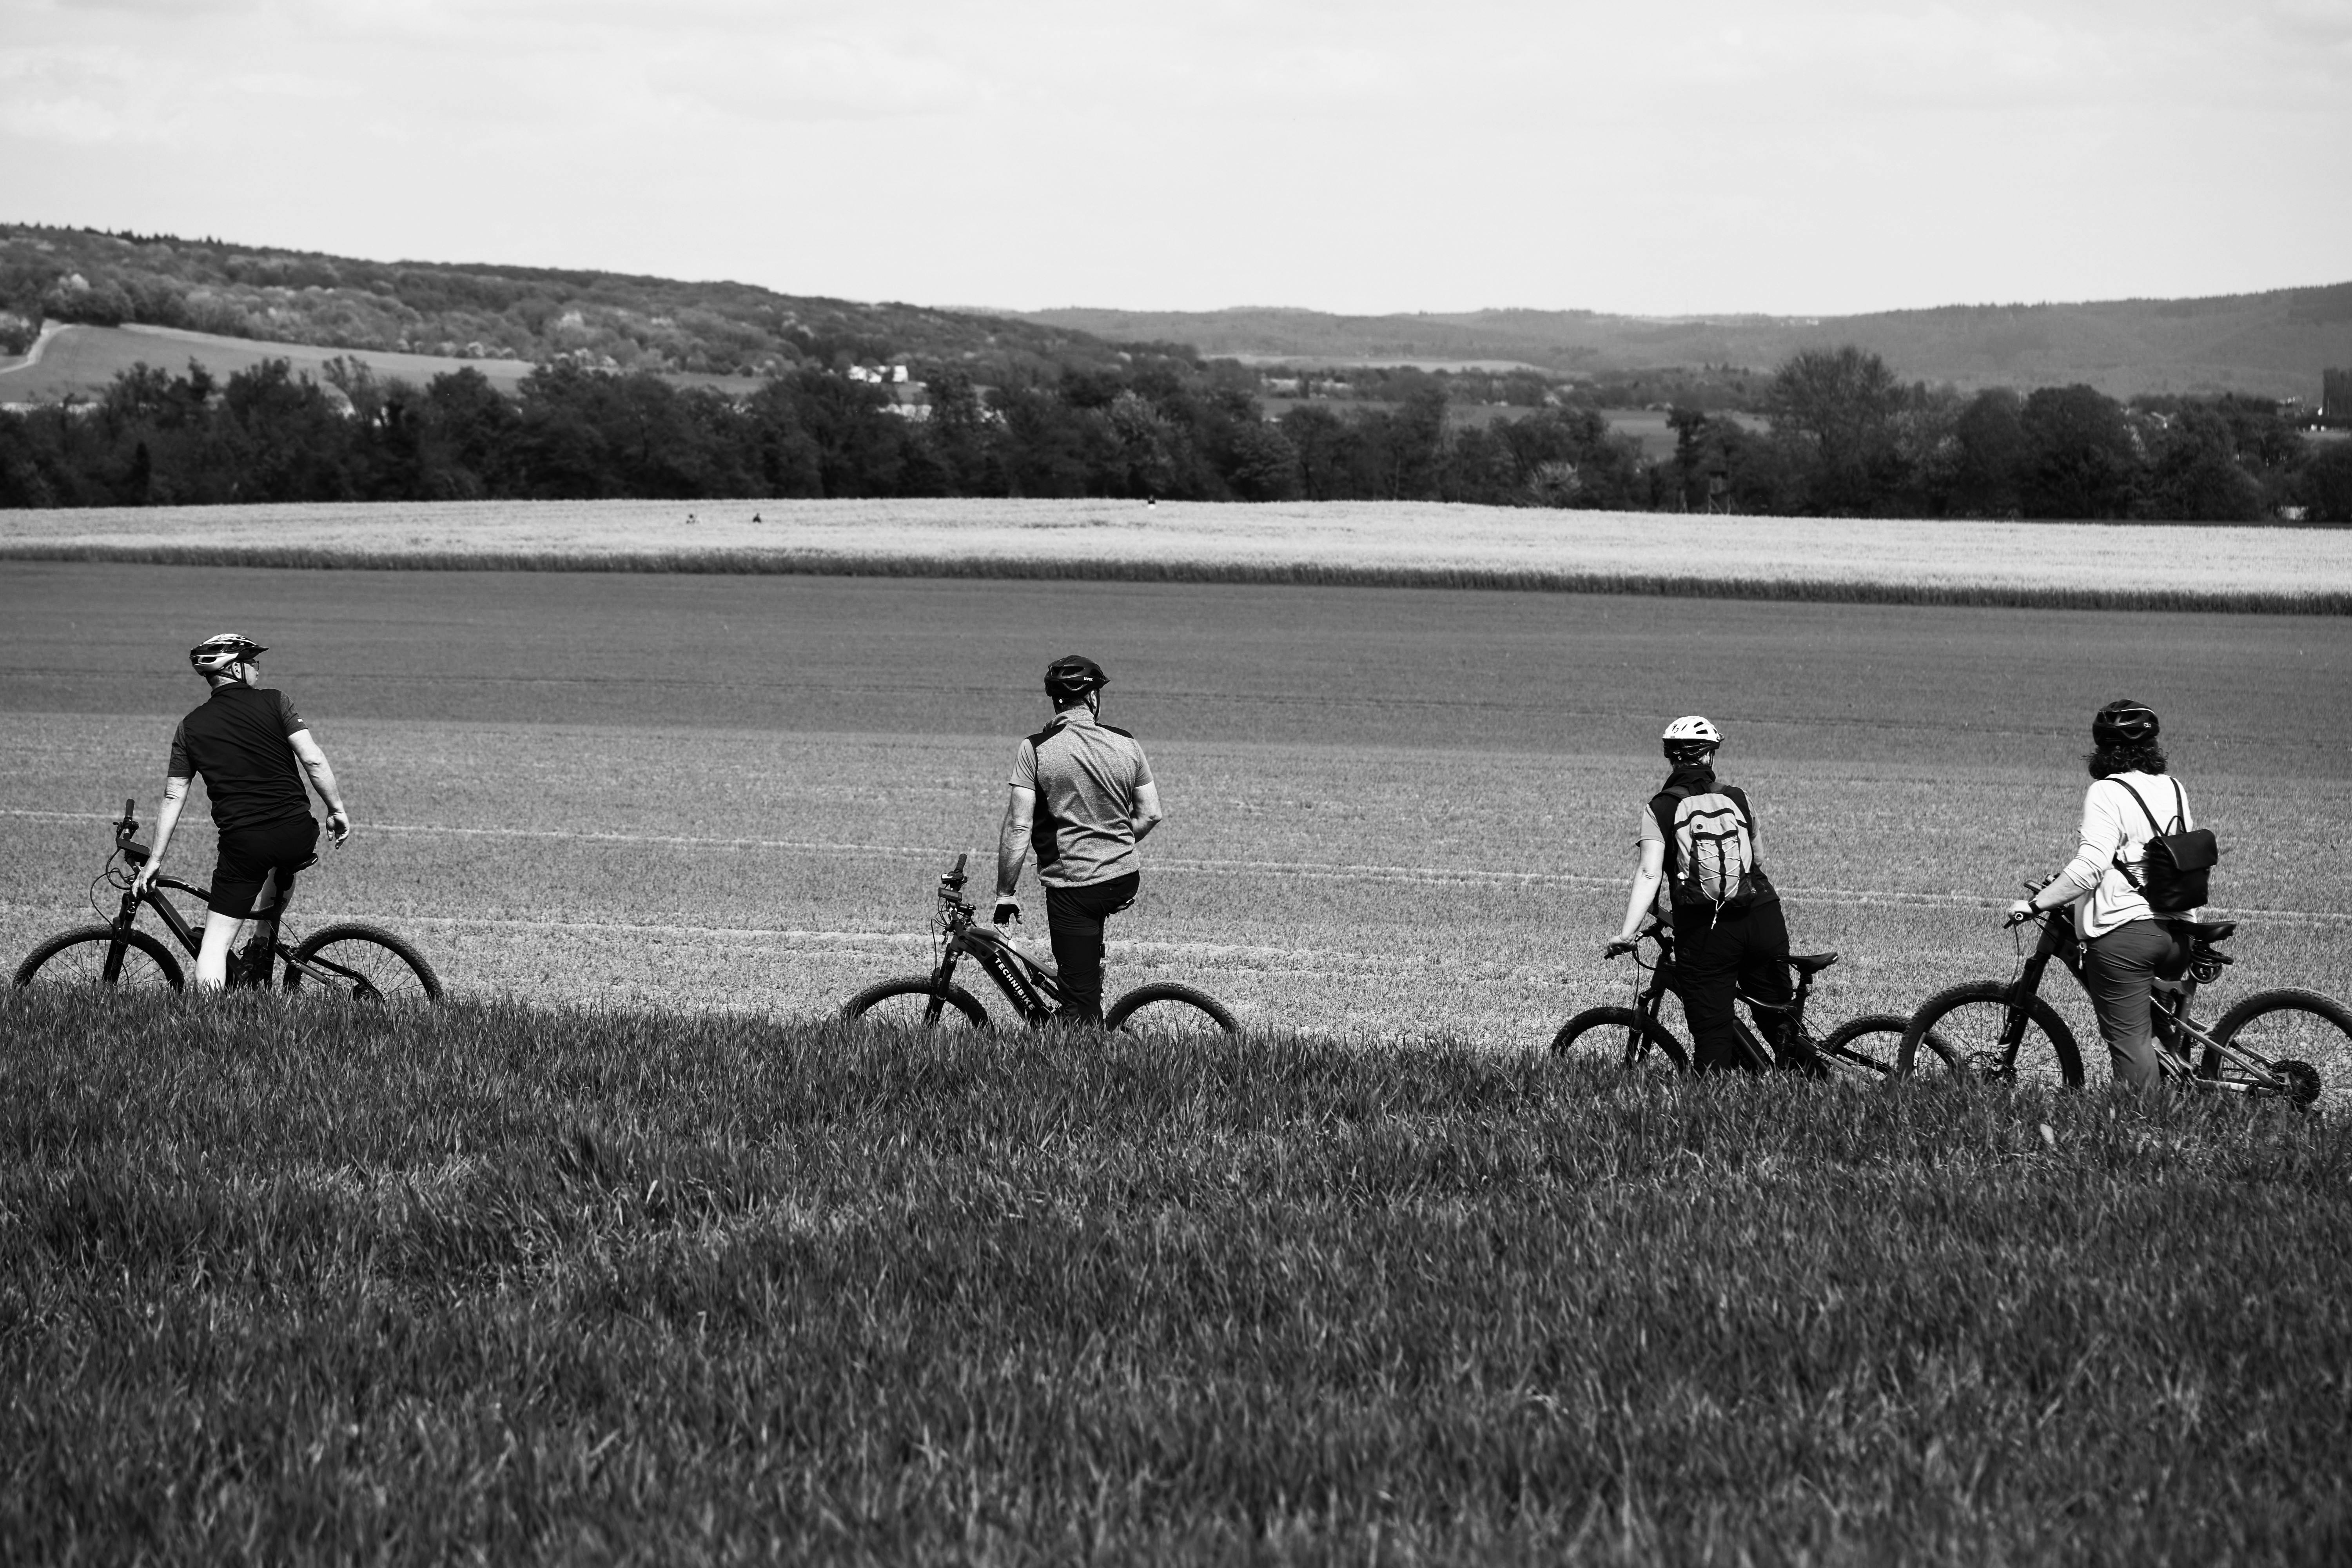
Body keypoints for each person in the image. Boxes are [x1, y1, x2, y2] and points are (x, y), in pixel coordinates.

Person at [130, 633, 352, 990]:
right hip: (298, 830)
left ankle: (214, 1030)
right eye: (253, 663)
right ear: (234, 668)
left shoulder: (190, 727)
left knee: (215, 945)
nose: (257, 670)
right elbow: (312, 758)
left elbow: (174, 796)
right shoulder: (276, 702)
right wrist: (336, 808)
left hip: (245, 844)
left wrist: (156, 859)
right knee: (283, 856)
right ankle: (263, 941)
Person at [2008, 700, 2195, 1090]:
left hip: (2129, 937)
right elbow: (2147, 855)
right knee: (2159, 1035)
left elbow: (2092, 865)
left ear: (2102, 749)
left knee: (2130, 1042)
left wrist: (2037, 903)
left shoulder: (2107, 791)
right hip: (2178, 933)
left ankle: (2144, 1132)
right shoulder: (2174, 788)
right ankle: (2180, 1097)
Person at [1605, 715, 1804, 1073]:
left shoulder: (1660, 807)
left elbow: (1650, 872)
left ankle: (1714, 1119)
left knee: (1713, 1038)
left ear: (1670, 757)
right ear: (1710, 757)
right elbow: (1758, 859)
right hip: (1761, 916)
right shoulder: (1739, 797)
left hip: (1706, 930)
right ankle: (1816, 1086)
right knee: (1779, 1023)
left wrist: (1628, 932)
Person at [992, 655, 1164, 1024]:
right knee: (1081, 974)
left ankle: (1092, 1055)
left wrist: (1006, 893)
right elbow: (1151, 813)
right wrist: (1112, 845)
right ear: (1093, 699)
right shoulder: (1127, 743)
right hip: (1123, 878)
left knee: (1078, 1011)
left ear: (1056, 701)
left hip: (1075, 887)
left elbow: (1019, 827)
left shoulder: (1036, 748)